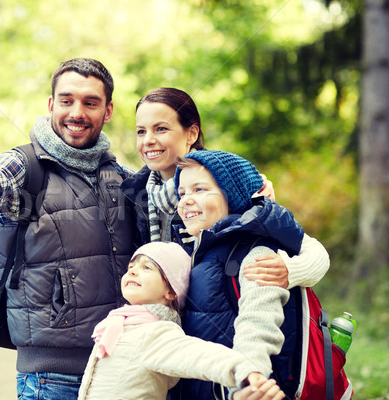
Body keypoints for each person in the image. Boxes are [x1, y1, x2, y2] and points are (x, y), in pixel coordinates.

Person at [0, 58, 137, 400]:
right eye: (66, 101)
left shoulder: (118, 175)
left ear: (107, 111)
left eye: (90, 103)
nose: (76, 112)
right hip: (54, 377)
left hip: (120, 370)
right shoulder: (25, 165)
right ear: (51, 105)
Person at [121, 87, 329, 291]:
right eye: (141, 131)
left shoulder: (228, 181)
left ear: (191, 133)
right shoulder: (134, 194)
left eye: (161, 129)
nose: (148, 140)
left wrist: (290, 271)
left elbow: (310, 250)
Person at [172, 150, 323, 399]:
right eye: (182, 193)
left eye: (199, 190)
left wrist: (248, 379)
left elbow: (257, 323)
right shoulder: (199, 249)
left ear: (232, 195)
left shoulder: (255, 254)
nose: (186, 200)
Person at [78, 241, 286, 400]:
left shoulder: (156, 333)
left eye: (147, 268)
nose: (132, 270)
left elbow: (199, 356)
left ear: (171, 291)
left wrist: (244, 369)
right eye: (131, 266)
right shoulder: (120, 324)